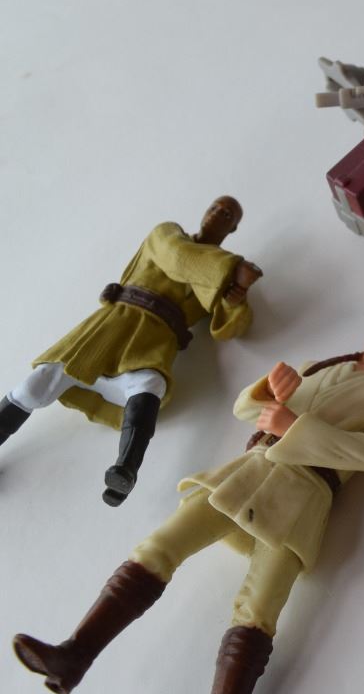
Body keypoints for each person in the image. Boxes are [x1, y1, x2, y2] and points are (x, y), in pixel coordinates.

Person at [12, 313, 364, 694]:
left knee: (259, 609)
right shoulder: (317, 367)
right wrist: (268, 391)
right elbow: (247, 412)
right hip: (246, 472)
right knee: (158, 548)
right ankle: (74, 655)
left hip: (303, 497)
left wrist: (295, 426)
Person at [0, 196, 261, 504]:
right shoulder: (168, 235)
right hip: (111, 326)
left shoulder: (221, 276)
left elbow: (231, 327)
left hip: (155, 339)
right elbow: (178, 257)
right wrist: (232, 270)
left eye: (227, 214)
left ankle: (125, 469)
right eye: (215, 207)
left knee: (150, 384)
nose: (217, 214)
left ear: (233, 227)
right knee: (40, 381)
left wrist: (236, 294)